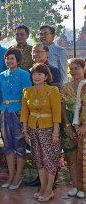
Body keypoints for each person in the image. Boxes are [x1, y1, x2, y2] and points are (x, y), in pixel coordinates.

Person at [21, 64, 61, 202]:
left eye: (40, 74)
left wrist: (56, 133)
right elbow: (25, 112)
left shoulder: (53, 90)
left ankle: (49, 189)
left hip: (48, 129)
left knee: (50, 158)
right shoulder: (27, 90)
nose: (36, 77)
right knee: (39, 159)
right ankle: (43, 187)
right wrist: (25, 131)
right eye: (34, 74)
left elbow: (57, 113)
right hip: (33, 129)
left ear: (46, 76)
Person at [0, 48, 32, 189]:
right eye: (7, 58)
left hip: (18, 112)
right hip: (4, 112)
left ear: (18, 60)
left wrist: (25, 117)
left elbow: (28, 97)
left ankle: (18, 177)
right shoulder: (1, 75)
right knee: (8, 145)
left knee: (19, 145)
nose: (9, 61)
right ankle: (11, 175)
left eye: (12, 58)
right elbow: (0, 95)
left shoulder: (24, 75)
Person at [60, 59, 85, 197]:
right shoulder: (65, 87)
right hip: (69, 121)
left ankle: (83, 188)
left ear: (84, 69)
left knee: (83, 156)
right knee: (71, 156)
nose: (73, 71)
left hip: (83, 120)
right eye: (71, 68)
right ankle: (75, 185)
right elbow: (62, 106)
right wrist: (68, 125)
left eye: (77, 68)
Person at [73, 78, 86, 198]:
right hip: (82, 129)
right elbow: (78, 105)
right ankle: (81, 187)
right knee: (81, 158)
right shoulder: (83, 84)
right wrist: (76, 125)